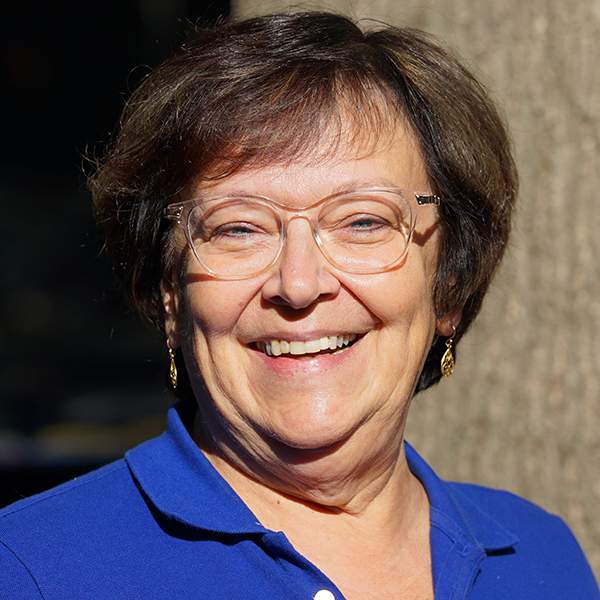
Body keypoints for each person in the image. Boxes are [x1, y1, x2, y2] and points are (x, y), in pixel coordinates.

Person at [0, 11, 597, 600]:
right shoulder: (35, 571)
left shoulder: (542, 560)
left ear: (447, 286)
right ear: (171, 297)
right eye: (239, 228)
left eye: (363, 222)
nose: (300, 284)